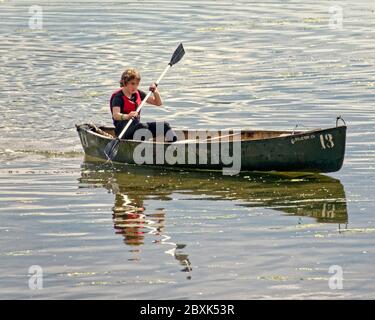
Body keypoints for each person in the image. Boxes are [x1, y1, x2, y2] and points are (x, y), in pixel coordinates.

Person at [110, 68, 177, 142]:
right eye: (132, 83)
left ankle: (173, 146)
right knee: (142, 127)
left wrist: (155, 92)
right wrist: (127, 116)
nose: (135, 87)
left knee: (165, 126)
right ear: (124, 82)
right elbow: (115, 115)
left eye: (137, 84)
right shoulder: (118, 97)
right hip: (123, 131)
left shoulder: (137, 93)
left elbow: (158, 103)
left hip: (137, 128)